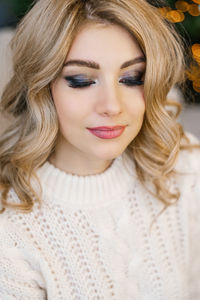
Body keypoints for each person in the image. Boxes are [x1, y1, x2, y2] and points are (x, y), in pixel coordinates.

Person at [0, 0, 199, 299]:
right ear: (41, 87)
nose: (112, 106)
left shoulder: (185, 165)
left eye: (133, 78)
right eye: (81, 81)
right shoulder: (10, 231)